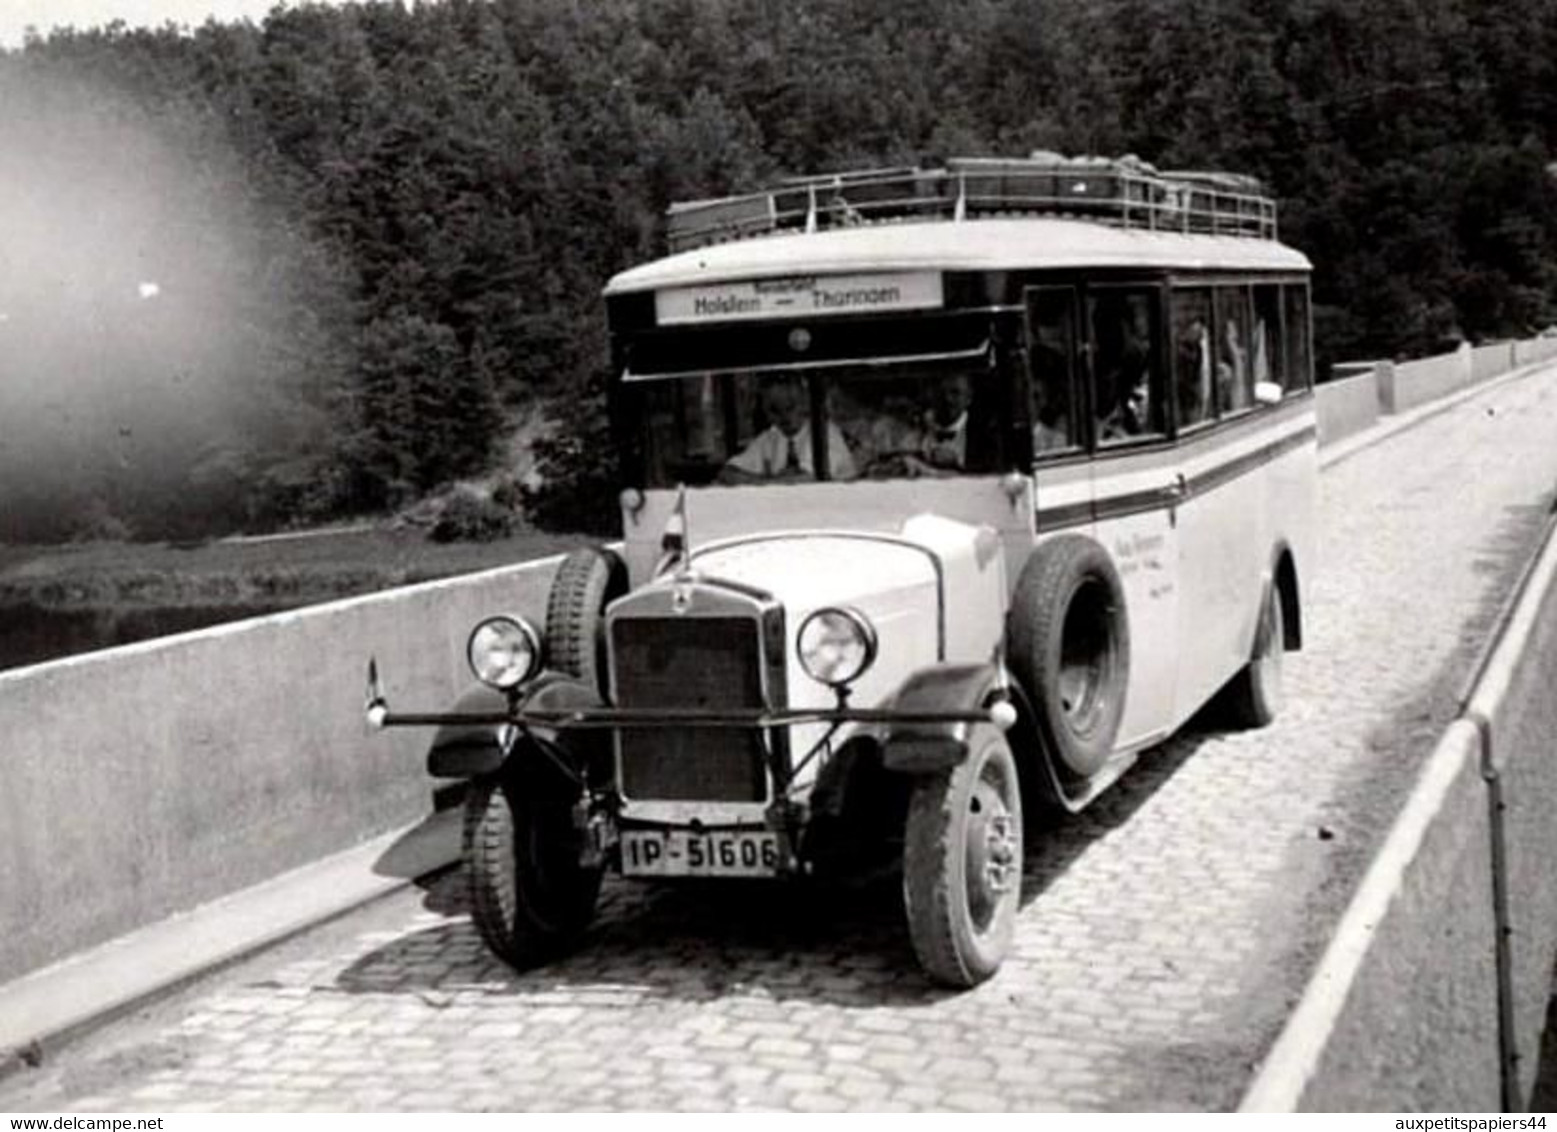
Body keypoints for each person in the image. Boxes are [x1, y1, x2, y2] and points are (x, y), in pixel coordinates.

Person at [719, 376, 857, 483]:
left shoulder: (824, 432)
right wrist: (772, 481)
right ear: (765, 411)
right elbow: (727, 472)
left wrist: (759, 481)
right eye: (774, 410)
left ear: (805, 403)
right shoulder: (769, 438)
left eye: (790, 407)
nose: (784, 416)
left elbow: (807, 481)